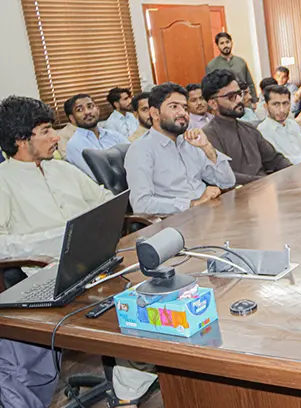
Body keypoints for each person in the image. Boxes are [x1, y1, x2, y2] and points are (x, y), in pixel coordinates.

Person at [0, 96, 156, 408]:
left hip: (97, 261)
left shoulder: (62, 169)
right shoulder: (4, 181)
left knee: (157, 289)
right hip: (51, 275)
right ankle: (129, 390)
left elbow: (104, 200)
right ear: (20, 140)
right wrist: (59, 237)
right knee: (132, 312)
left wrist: (92, 227)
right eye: (46, 131)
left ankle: (135, 381)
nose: (56, 137)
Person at [124, 82, 236, 215]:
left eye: (185, 107)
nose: (182, 113)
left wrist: (207, 148)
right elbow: (141, 204)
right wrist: (192, 204)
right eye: (174, 107)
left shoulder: (190, 142)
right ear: (154, 113)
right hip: (177, 220)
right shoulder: (140, 150)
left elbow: (227, 182)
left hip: (209, 212)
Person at [201, 69, 291, 184]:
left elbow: (275, 160)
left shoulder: (249, 129)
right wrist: (264, 181)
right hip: (241, 192)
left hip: (267, 187)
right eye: (231, 96)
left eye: (239, 94)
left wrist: (293, 172)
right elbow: (224, 175)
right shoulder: (207, 136)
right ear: (213, 104)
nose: (239, 100)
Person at [64, 94, 130, 180]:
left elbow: (134, 157)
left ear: (97, 110)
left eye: (90, 106)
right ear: (72, 118)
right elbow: (96, 177)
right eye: (79, 110)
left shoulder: (114, 135)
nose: (87, 112)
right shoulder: (74, 145)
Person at [257, 85, 301, 164]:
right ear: (266, 106)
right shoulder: (263, 131)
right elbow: (280, 162)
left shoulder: (293, 124)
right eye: (276, 104)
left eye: (285, 103)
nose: (282, 110)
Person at [205, 32, 258, 105]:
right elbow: (209, 90)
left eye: (227, 42)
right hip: (226, 103)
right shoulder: (212, 65)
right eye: (222, 43)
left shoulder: (240, 62)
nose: (225, 45)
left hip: (245, 101)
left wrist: (254, 101)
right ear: (217, 46)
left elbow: (250, 83)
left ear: (231, 43)